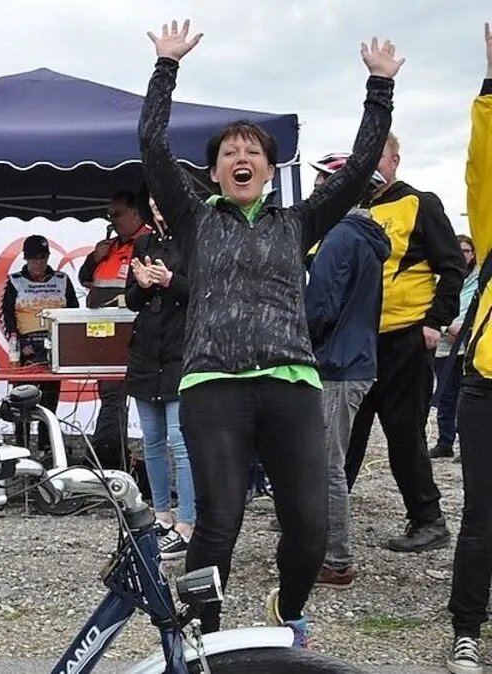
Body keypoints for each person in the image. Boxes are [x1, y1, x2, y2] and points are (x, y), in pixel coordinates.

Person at [138, 19, 399, 645]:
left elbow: (362, 162)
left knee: (310, 525)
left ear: (271, 167)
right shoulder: (194, 222)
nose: (242, 157)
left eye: (253, 150)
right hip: (213, 385)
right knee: (219, 521)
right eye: (230, 152)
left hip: (291, 383)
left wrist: (379, 87)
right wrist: (166, 67)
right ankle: (202, 635)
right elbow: (151, 143)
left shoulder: (299, 220)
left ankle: (288, 605)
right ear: (216, 172)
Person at [343, 124, 467, 554]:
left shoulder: (420, 203)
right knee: (345, 433)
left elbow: (453, 266)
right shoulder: (348, 209)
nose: (372, 164)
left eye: (379, 155)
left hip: (404, 339)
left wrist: (436, 321)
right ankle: (323, 516)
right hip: (355, 343)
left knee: (403, 434)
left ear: (394, 161)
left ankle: (428, 519)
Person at [303, 153, 393, 590]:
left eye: (322, 182)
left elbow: (319, 307)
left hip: (336, 363)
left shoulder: (340, 237)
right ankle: (323, 547)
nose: (316, 189)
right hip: (353, 359)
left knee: (327, 464)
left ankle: (337, 560)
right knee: (327, 460)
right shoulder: (364, 235)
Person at [445, 22, 492, 674]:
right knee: (482, 514)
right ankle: (466, 630)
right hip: (486, 386)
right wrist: (489, 88)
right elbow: (482, 167)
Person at [122, 184, 194, 560]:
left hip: (181, 352)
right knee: (150, 441)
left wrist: (169, 282)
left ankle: (187, 522)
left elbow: (205, 291)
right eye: (153, 205)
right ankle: (160, 514)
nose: (158, 211)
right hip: (147, 352)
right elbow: (131, 299)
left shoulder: (195, 237)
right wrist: (143, 285)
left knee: (180, 442)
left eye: (162, 204)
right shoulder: (144, 245)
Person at [79, 191, 152, 470]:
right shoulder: (109, 246)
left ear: (135, 213)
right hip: (102, 335)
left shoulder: (147, 243)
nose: (111, 220)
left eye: (116, 214)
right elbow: (86, 279)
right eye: (108, 215)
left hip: (131, 334)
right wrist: (94, 257)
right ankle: (115, 456)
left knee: (114, 397)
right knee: (111, 397)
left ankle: (102, 459)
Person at [0, 234, 80, 455]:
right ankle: (22, 446)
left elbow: (74, 311)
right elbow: (5, 314)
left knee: (49, 400)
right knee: (22, 398)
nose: (39, 263)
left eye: (43, 258)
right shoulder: (15, 280)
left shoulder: (62, 279)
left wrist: (69, 343)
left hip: (55, 345)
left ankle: (46, 447)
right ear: (26, 259)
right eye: (34, 259)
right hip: (26, 347)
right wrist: (17, 342)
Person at [431, 233, 478, 460]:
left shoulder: (480, 282)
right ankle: (444, 441)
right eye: (458, 251)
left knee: (466, 399)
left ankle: (466, 446)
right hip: (445, 346)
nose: (463, 255)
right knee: (445, 397)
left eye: (467, 251)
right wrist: (446, 327)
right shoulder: (443, 280)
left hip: (469, 348)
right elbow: (433, 308)